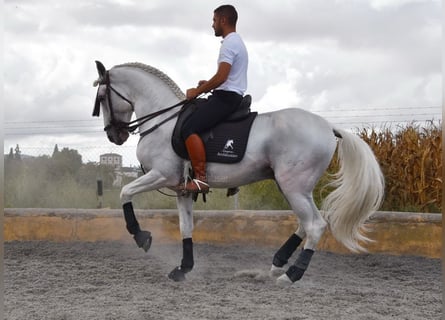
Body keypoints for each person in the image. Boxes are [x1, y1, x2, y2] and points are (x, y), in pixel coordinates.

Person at [181, 4, 248, 193]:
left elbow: (222, 77)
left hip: (226, 97)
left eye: (214, 20)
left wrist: (198, 91)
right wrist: (206, 83)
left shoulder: (229, 43)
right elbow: (224, 76)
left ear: (223, 20)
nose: (212, 25)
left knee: (189, 127)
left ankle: (201, 179)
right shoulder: (236, 41)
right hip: (230, 93)